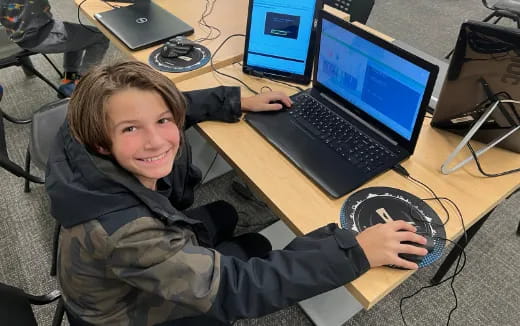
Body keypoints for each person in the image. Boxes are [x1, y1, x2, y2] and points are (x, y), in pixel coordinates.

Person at [45, 61, 428, 326]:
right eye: (130, 130)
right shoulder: (128, 234)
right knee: (258, 250)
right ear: (100, 140)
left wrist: (233, 101)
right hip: (124, 312)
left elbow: (159, 106)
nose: (157, 139)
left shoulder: (82, 126)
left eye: (164, 121)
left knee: (227, 213)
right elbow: (235, 289)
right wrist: (355, 252)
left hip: (114, 267)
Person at [0, 0, 109, 96]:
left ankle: (69, 77)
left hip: (18, 36)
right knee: (101, 37)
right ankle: (82, 85)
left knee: (77, 37)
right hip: (43, 34)